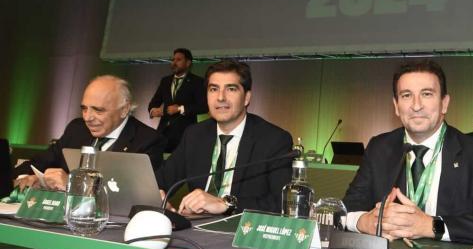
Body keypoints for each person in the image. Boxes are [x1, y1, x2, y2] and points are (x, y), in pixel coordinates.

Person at [343, 61, 473, 247]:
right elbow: (345, 210)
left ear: (444, 103)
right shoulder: (379, 147)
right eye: (406, 95)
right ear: (396, 105)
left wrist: (430, 225)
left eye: (426, 94)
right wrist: (364, 222)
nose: (416, 106)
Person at [156, 59, 293, 216]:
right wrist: (156, 194)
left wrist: (226, 204)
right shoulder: (194, 135)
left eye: (231, 89)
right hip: (194, 229)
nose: (221, 97)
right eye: (213, 89)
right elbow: (162, 180)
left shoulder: (273, 140)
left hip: (240, 232)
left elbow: (283, 203)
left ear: (247, 98)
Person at [13, 75, 166, 191]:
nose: (88, 117)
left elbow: (131, 194)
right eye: (84, 108)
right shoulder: (76, 129)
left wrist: (73, 185)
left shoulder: (148, 140)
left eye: (98, 110)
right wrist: (27, 178)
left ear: (124, 109)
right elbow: (39, 162)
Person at [148, 48, 207, 152]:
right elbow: (154, 102)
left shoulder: (197, 82)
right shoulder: (165, 81)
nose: (174, 63)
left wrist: (181, 109)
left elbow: (204, 106)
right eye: (173, 59)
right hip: (164, 133)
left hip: (185, 133)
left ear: (188, 63)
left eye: (178, 60)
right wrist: (153, 111)